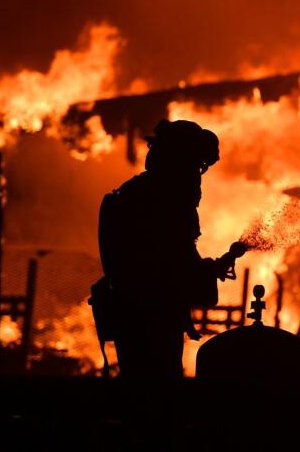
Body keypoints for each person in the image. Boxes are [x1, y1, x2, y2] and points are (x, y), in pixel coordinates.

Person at [96, 119, 234, 379]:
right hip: (147, 319)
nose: (198, 175)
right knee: (156, 392)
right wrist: (207, 270)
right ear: (177, 162)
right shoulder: (162, 203)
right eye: (195, 166)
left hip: (141, 316)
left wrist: (207, 270)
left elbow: (173, 263)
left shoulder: (139, 195)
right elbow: (166, 268)